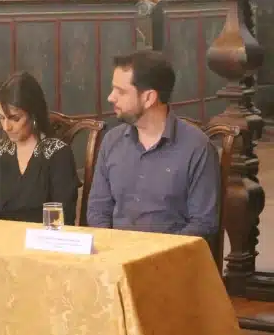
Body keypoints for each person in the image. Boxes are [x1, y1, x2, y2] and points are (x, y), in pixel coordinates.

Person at [87, 50, 220, 239]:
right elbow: (97, 210)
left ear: (149, 98)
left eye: (121, 91)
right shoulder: (112, 141)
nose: (111, 97)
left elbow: (203, 223)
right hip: (116, 258)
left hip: (169, 261)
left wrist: (154, 254)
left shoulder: (197, 148)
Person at [0, 72, 79, 224]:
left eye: (14, 118)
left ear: (34, 115)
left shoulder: (57, 154)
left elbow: (64, 219)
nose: (6, 127)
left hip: (42, 242)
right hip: (0, 241)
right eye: (2, 117)